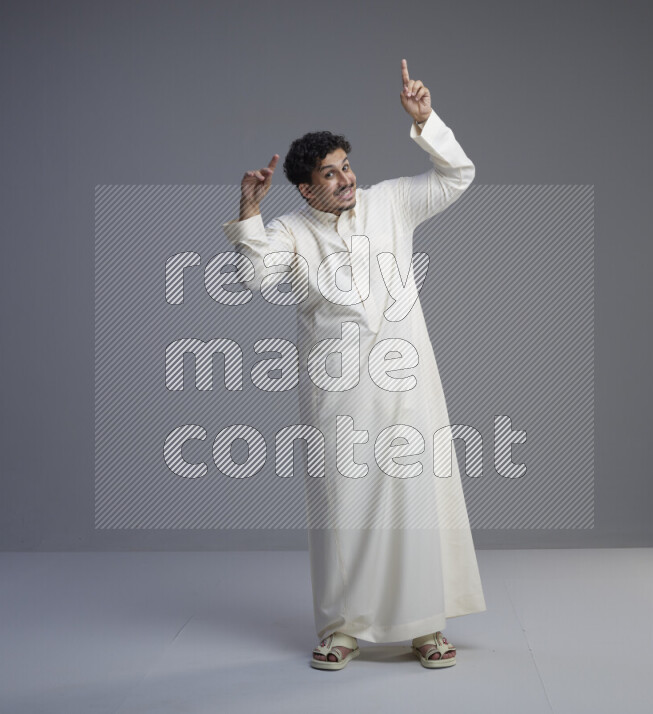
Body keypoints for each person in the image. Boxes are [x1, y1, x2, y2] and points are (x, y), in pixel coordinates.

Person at [222, 59, 486, 670]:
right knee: (342, 505)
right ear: (306, 188)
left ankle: (425, 627)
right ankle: (341, 629)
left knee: (414, 499)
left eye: (347, 166)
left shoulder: (390, 202)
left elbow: (458, 177)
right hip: (338, 390)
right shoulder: (290, 230)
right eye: (330, 174)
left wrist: (425, 122)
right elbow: (256, 276)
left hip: (407, 382)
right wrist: (248, 213)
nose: (345, 179)